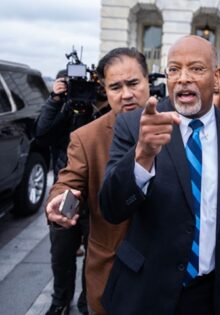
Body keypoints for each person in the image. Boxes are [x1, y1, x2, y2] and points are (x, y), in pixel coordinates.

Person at [98, 35, 220, 315]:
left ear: (216, 78)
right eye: (174, 69)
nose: (183, 78)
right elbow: (111, 208)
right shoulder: (135, 125)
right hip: (145, 292)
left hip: (213, 295)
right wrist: (142, 155)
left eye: (196, 69)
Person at [44, 47, 150, 314]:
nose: (126, 94)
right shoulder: (86, 137)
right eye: (115, 87)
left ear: (148, 81)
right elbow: (69, 179)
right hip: (111, 271)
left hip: (169, 272)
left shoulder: (176, 124)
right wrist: (59, 199)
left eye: (133, 83)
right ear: (105, 89)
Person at [36, 69, 109, 315]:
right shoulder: (63, 106)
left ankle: (88, 300)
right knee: (61, 250)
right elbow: (43, 135)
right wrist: (55, 101)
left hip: (97, 192)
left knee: (95, 251)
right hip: (65, 190)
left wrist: (99, 101)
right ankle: (60, 300)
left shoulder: (103, 106)